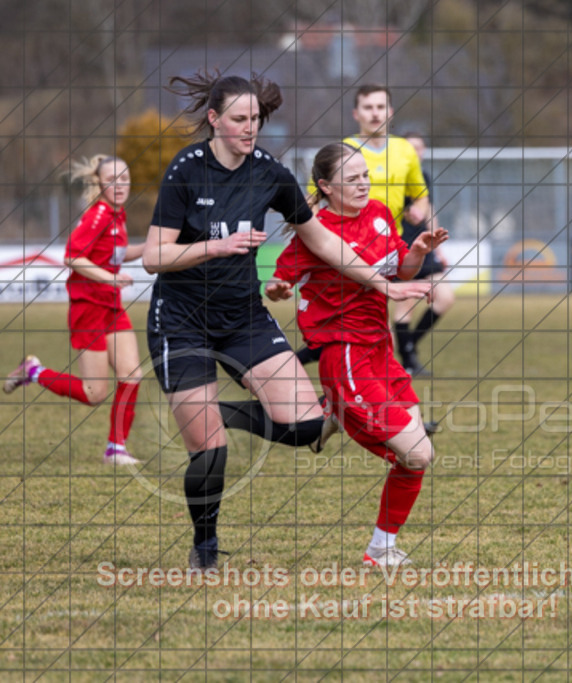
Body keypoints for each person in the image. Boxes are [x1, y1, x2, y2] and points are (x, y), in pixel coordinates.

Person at [141, 71, 430, 571]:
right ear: (214, 120)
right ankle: (205, 551)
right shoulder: (187, 170)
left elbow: (322, 240)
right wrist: (217, 245)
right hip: (182, 320)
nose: (249, 128)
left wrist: (384, 284)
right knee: (210, 452)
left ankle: (226, 411)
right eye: (238, 119)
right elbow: (153, 257)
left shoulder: (269, 172)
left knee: (306, 428)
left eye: (255, 119)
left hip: (243, 317)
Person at [268, 142, 449, 568]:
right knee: (418, 454)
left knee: (418, 455)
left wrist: (417, 253)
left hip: (380, 349)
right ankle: (335, 410)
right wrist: (277, 289)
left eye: (365, 175)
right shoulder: (316, 230)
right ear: (326, 186)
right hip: (344, 353)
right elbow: (278, 280)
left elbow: (398, 270)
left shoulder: (381, 214)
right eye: (352, 179)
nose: (364, 184)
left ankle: (380, 549)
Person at [3, 155, 144, 466]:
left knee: (132, 376)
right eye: (112, 180)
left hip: (112, 306)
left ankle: (115, 449)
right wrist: (111, 277)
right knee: (94, 394)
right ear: (99, 183)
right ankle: (34, 372)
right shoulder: (97, 216)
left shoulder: (118, 215)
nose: (119, 185)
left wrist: (151, 246)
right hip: (89, 310)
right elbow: (72, 257)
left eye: (124, 178)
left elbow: (119, 254)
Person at [296, 84, 433, 375]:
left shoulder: (405, 150)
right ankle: (384, 400)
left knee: (371, 324)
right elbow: (313, 199)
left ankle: (350, 392)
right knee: (362, 324)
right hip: (345, 248)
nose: (375, 113)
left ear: (390, 112)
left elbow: (419, 192)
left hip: (386, 248)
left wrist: (420, 208)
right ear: (356, 113)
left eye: (381, 107)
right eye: (368, 108)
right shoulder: (342, 151)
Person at [392, 132, 455, 377]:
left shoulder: (424, 177)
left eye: (419, 148)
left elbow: (430, 212)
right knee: (405, 304)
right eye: (410, 148)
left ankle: (408, 346)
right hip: (402, 246)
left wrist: (438, 249)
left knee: (445, 297)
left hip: (425, 246)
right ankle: (408, 360)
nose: (415, 152)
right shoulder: (394, 177)